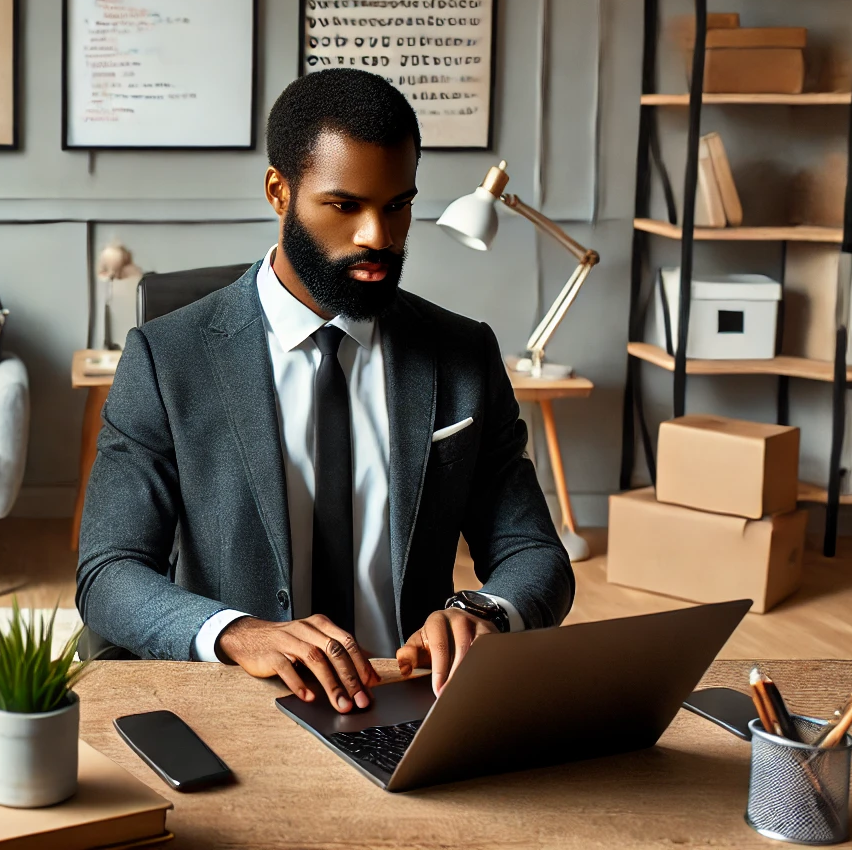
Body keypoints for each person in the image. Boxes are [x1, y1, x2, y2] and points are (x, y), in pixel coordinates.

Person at [75, 68, 574, 714]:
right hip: (242, 704)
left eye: (398, 205)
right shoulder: (166, 359)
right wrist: (238, 633)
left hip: (414, 705)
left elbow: (535, 554)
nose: (379, 236)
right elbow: (108, 572)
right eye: (346, 206)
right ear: (279, 192)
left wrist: (484, 612)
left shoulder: (463, 355)